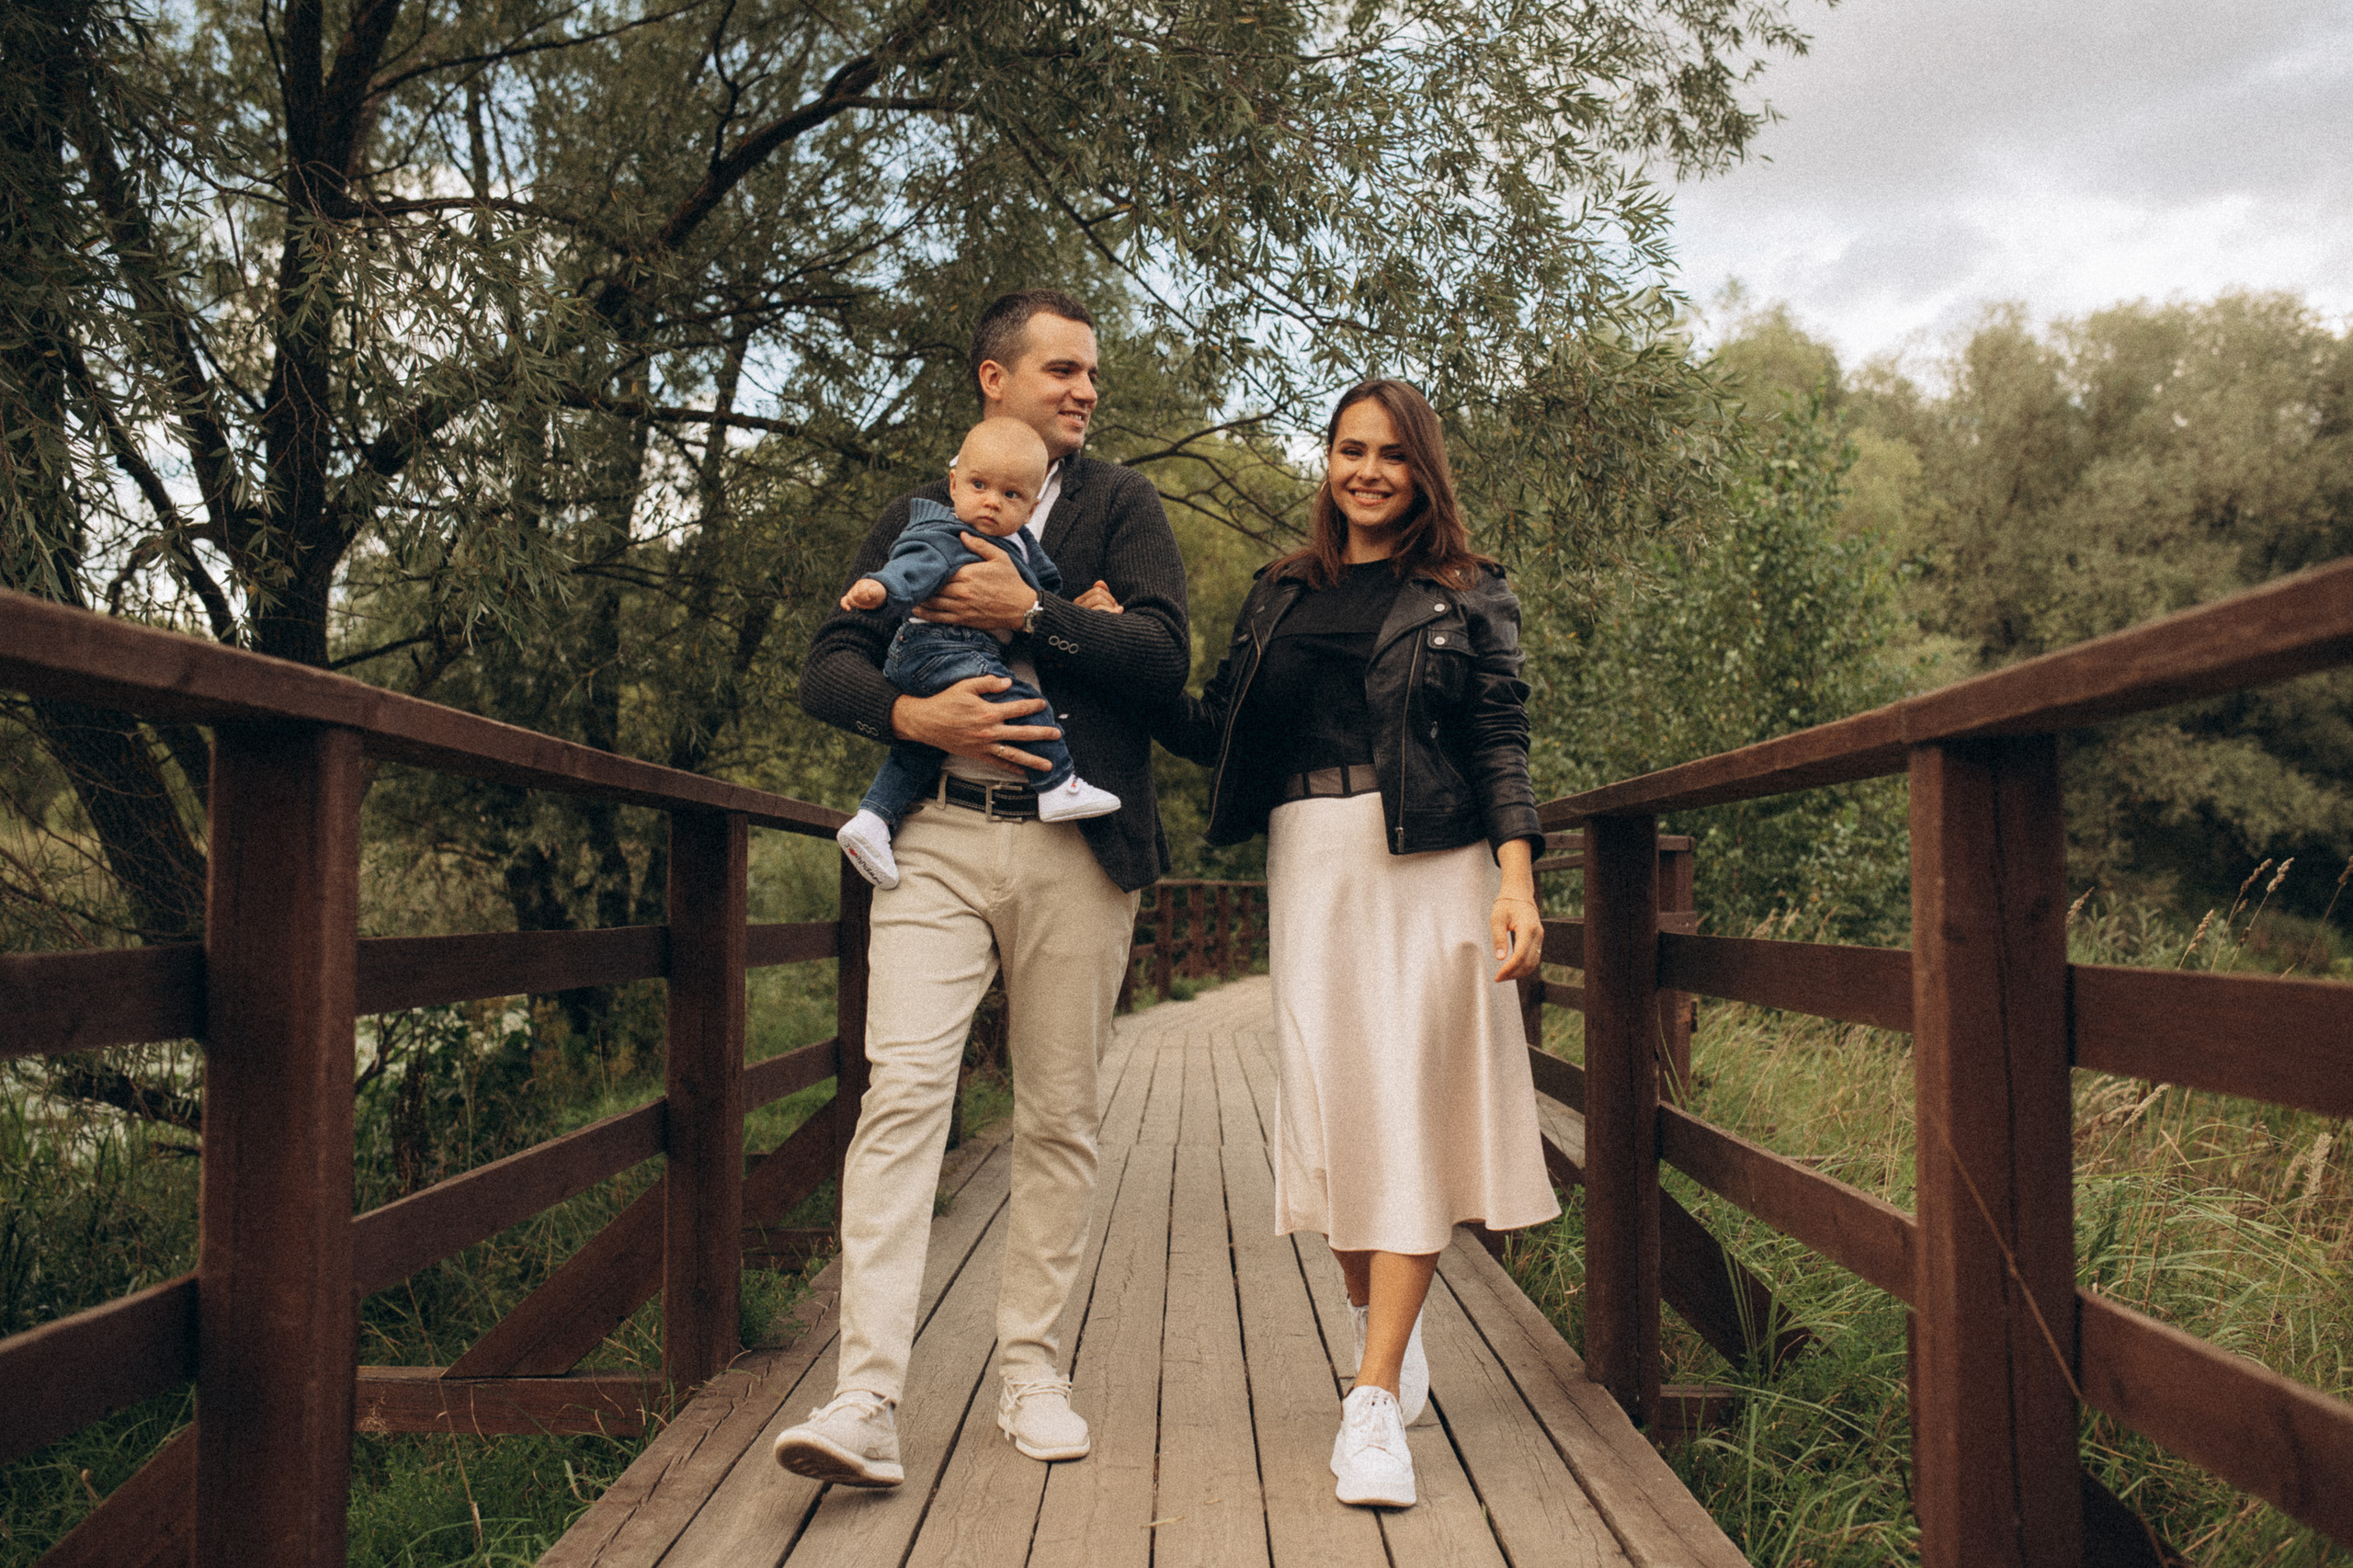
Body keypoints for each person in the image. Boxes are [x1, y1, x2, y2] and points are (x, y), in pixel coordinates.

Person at [777, 290, 1190, 1487]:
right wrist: (912, 711)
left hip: (1078, 848)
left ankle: (1031, 1371)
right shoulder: (925, 512)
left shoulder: (1121, 506)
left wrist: (1038, 614)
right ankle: (865, 1394)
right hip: (940, 840)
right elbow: (828, 660)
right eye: (1063, 368)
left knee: (1059, 1113)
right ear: (992, 380)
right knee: (903, 1091)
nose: (1086, 389)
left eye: (1092, 375)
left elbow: (1165, 663)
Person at [1152, 378, 1556, 1508]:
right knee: (1332, 1109)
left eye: (1390, 454)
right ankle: (1384, 1324)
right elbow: (1211, 723)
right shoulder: (1281, 588)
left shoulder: (1467, 591)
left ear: (1422, 471)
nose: (1367, 470)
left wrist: (1516, 877)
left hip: (1430, 862)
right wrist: (1096, 641)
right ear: (1325, 461)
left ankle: (1371, 1401)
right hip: (1311, 859)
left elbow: (1499, 733)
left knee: (1407, 1107)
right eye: (1348, 449)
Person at [834, 415, 1123, 891]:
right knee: (1022, 704)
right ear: (954, 484)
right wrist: (878, 589)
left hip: (944, 656)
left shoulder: (1022, 546)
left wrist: (1075, 615)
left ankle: (871, 822)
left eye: (1010, 495)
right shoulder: (945, 531)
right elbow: (913, 567)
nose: (991, 501)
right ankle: (1057, 785)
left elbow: (1040, 601)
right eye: (979, 485)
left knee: (922, 749)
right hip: (937, 649)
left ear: (1030, 509)